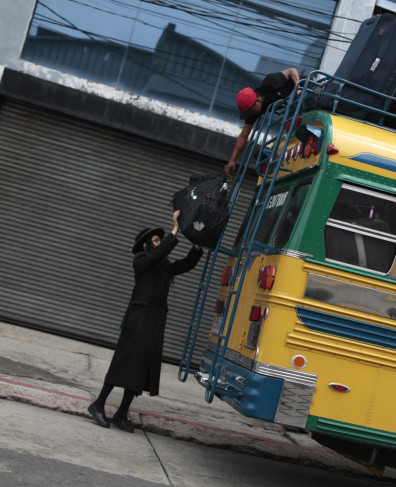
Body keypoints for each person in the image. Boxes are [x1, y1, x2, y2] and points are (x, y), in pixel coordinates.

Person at [87, 210, 203, 433]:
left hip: (155, 322)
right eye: (156, 240)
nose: (159, 243)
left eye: (160, 240)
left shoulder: (164, 266)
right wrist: (175, 230)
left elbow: (186, 264)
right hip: (138, 319)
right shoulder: (141, 260)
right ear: (145, 246)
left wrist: (197, 245)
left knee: (140, 368)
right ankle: (98, 404)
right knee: (123, 362)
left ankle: (122, 413)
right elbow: (156, 256)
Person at [224, 67, 300, 174]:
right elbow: (243, 136)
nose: (250, 114)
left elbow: (292, 70)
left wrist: (298, 87)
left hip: (307, 90)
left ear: (257, 101)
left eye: (250, 111)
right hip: (295, 108)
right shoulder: (254, 111)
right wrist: (232, 160)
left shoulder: (271, 81)